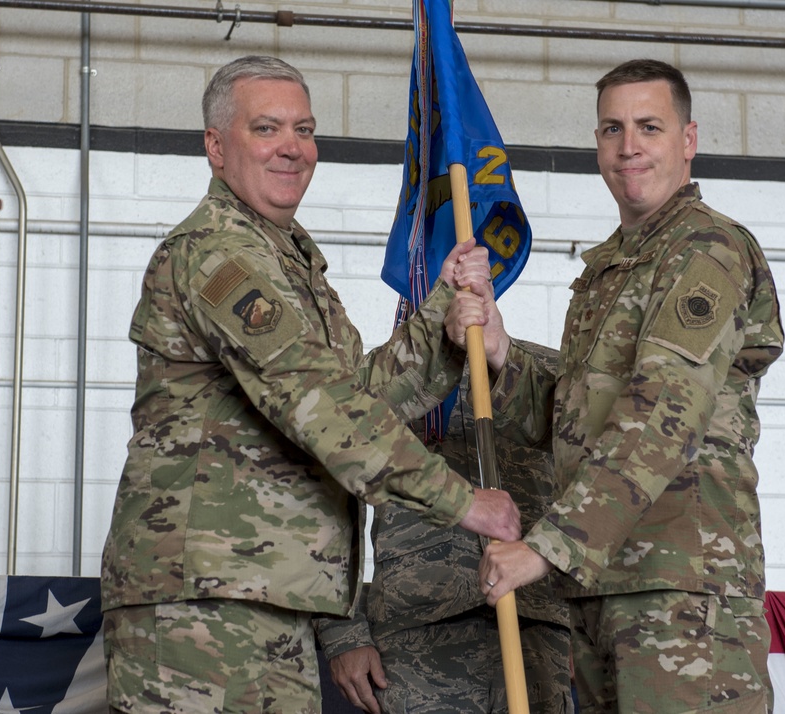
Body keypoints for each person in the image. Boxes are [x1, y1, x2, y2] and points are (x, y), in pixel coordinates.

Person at [99, 55, 520, 714]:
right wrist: (465, 503)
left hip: (272, 596)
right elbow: (320, 409)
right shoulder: (218, 255)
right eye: (266, 129)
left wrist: (440, 314)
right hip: (202, 605)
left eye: (304, 129)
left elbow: (360, 395)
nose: (292, 148)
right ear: (215, 146)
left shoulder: (287, 260)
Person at [475, 59, 785, 713]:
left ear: (688, 140)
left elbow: (662, 416)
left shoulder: (706, 251)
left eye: (649, 126)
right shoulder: (609, 270)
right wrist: (500, 350)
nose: (629, 147)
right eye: (612, 129)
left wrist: (548, 548)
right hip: (604, 586)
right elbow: (575, 417)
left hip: (680, 590)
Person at [315, 342, 574, 714]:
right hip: (415, 638)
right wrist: (342, 632)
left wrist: (590, 629)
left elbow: (598, 496)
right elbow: (326, 503)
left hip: (536, 634)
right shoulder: (381, 378)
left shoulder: (546, 374)